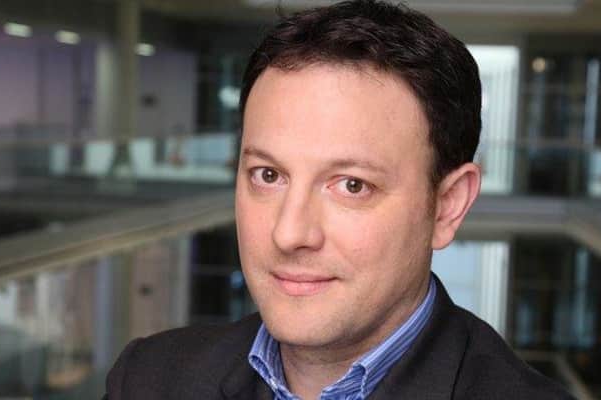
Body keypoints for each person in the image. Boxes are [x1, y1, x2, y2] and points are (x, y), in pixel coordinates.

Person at [104, 1, 573, 399]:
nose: (290, 233)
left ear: (447, 206)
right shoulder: (148, 380)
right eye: (268, 175)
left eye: (351, 185)